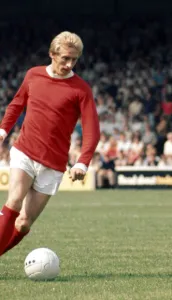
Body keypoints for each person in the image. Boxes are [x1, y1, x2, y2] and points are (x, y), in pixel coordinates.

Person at [0, 31, 100, 256]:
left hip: (54, 164)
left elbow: (92, 130)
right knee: (14, 200)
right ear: (52, 54)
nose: (69, 63)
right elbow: (17, 104)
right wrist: (3, 129)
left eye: (74, 59)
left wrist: (82, 163)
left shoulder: (81, 89)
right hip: (24, 151)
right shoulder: (33, 75)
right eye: (65, 58)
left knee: (24, 223)